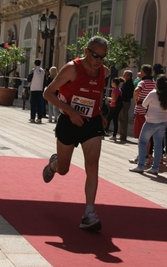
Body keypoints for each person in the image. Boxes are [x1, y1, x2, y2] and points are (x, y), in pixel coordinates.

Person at [43, 36, 109, 231]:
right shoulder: (72, 68)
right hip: (68, 122)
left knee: (92, 166)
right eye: (96, 55)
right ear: (87, 51)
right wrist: (71, 111)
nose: (99, 60)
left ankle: (89, 213)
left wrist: (101, 113)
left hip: (92, 123)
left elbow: (97, 93)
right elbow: (48, 93)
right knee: (64, 169)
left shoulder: (103, 72)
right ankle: (54, 164)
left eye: (103, 57)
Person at [130, 75, 167, 175]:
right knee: (158, 144)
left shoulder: (153, 93)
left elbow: (144, 104)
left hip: (151, 121)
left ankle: (140, 166)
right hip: (163, 122)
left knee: (143, 141)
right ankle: (155, 167)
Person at [129, 64, 155, 164]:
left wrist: (137, 101)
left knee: (141, 136)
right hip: (150, 112)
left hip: (141, 112)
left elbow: (136, 90)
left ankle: (141, 156)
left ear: (143, 72)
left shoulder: (142, 82)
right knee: (148, 136)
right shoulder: (154, 83)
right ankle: (147, 156)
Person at [118, 70, 134, 141]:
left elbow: (126, 94)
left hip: (125, 102)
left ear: (128, 76)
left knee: (123, 119)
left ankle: (123, 135)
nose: (123, 76)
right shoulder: (126, 83)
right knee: (122, 118)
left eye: (125, 75)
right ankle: (122, 134)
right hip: (124, 101)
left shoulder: (129, 84)